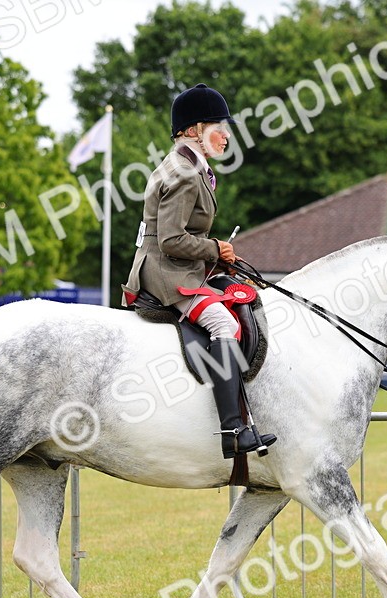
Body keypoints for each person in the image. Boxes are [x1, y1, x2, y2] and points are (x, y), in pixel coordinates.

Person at [122, 83, 275, 459]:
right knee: (223, 323)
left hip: (180, 266)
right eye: (217, 127)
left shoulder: (189, 166)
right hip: (167, 273)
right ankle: (233, 430)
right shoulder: (184, 174)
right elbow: (172, 240)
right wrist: (214, 249)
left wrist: (215, 254)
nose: (225, 135)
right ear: (192, 131)